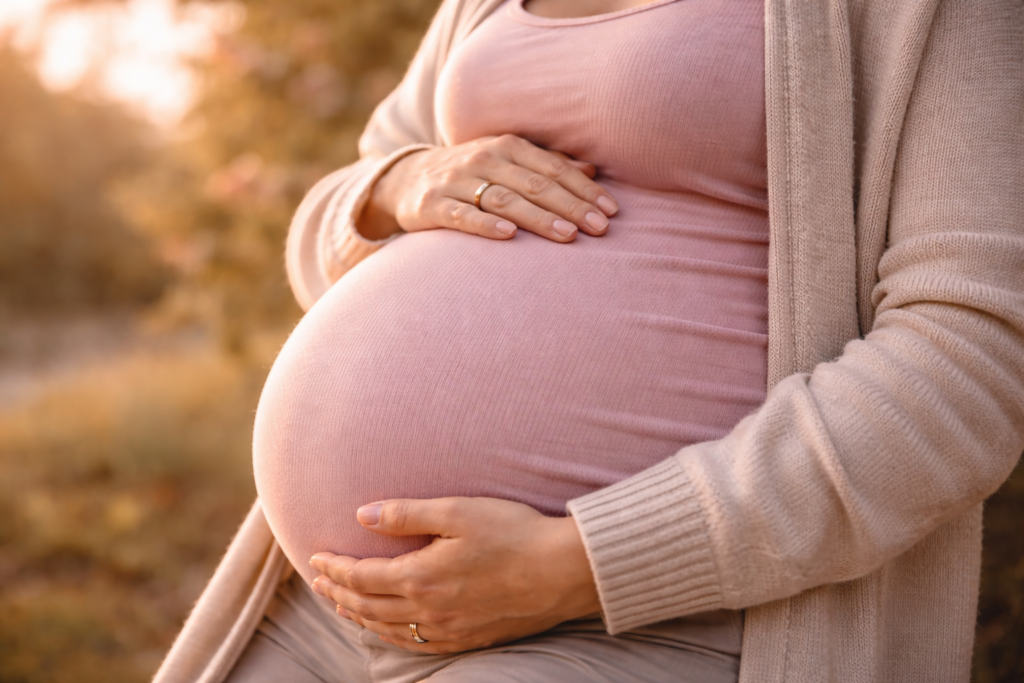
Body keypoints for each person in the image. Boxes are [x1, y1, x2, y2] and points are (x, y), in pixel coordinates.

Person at [154, 0, 1024, 682]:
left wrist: (589, 563)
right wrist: (401, 182)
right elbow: (333, 227)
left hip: (633, 630)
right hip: (320, 614)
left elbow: (969, 365)